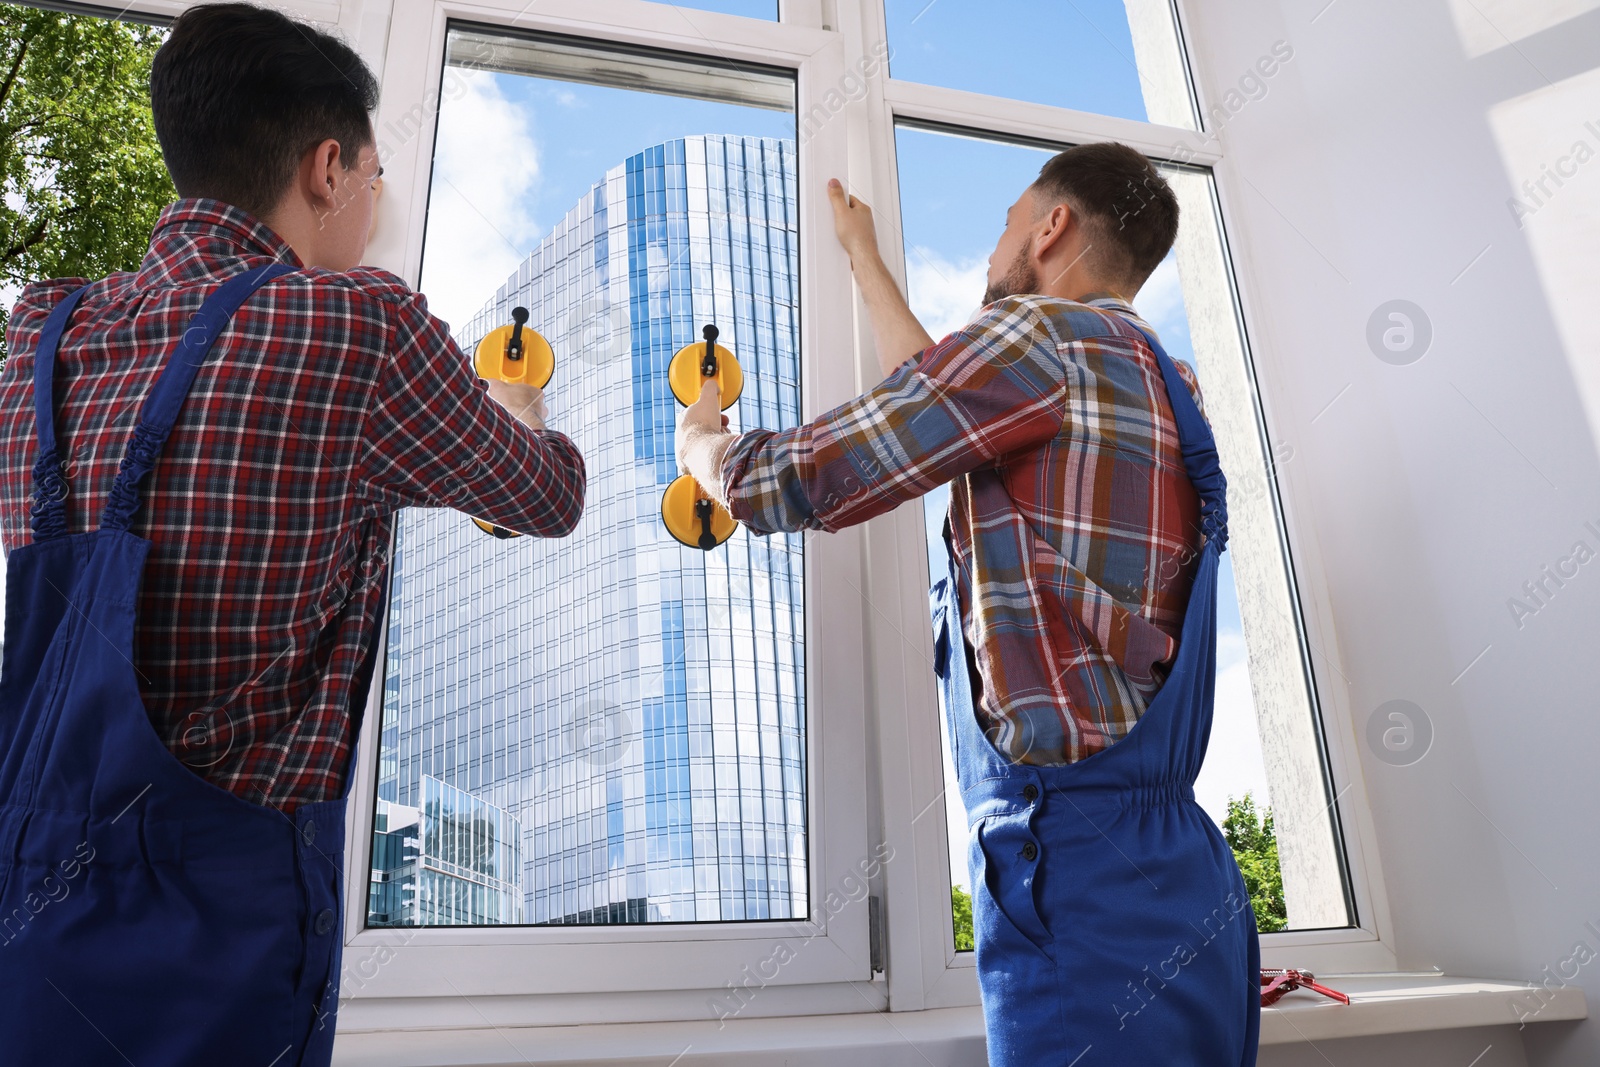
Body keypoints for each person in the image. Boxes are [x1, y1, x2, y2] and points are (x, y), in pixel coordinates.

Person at [0, 4, 582, 1064]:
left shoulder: (42, 332)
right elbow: (547, 494)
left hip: (27, 913)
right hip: (222, 933)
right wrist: (514, 402)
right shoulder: (359, 328)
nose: (375, 206)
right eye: (374, 177)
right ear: (327, 168)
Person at [677, 143, 1259, 1065]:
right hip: (1189, 888)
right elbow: (943, 402)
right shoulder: (1162, 379)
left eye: (1002, 224)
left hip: (1077, 882)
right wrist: (863, 259)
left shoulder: (1037, 339)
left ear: (1050, 226)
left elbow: (809, 474)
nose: (994, 250)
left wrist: (703, 449)